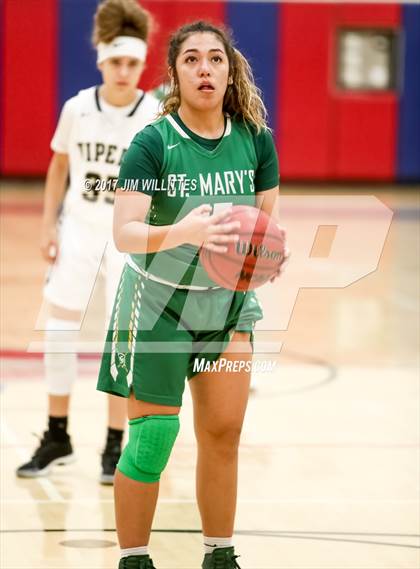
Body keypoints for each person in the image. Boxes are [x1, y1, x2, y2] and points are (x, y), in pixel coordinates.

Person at [97, 20, 286, 569]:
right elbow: (125, 232)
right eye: (192, 60)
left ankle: (219, 555)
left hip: (225, 309)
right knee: (153, 440)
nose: (205, 69)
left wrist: (261, 259)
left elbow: (264, 221)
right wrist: (184, 233)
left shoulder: (254, 139)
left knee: (223, 434)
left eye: (215, 59)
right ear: (176, 75)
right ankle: (134, 559)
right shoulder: (153, 143)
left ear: (231, 71)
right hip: (158, 306)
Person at [16, 0, 160, 485]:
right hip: (79, 227)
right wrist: (47, 226)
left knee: (122, 339)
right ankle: (58, 435)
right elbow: (59, 165)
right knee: (58, 329)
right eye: (115, 61)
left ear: (143, 64)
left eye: (133, 62)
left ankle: (115, 442)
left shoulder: (156, 113)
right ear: (101, 61)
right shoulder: (77, 107)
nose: (124, 70)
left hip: (129, 235)